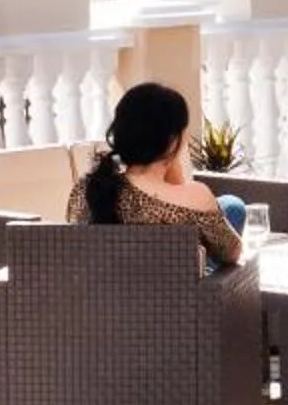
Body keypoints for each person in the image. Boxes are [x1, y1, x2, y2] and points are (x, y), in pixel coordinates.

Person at [68, 82, 247, 268]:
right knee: (233, 206)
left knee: (229, 204)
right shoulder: (197, 197)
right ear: (172, 140)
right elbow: (232, 254)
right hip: (180, 284)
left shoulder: (89, 189)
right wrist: (174, 165)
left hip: (105, 283)